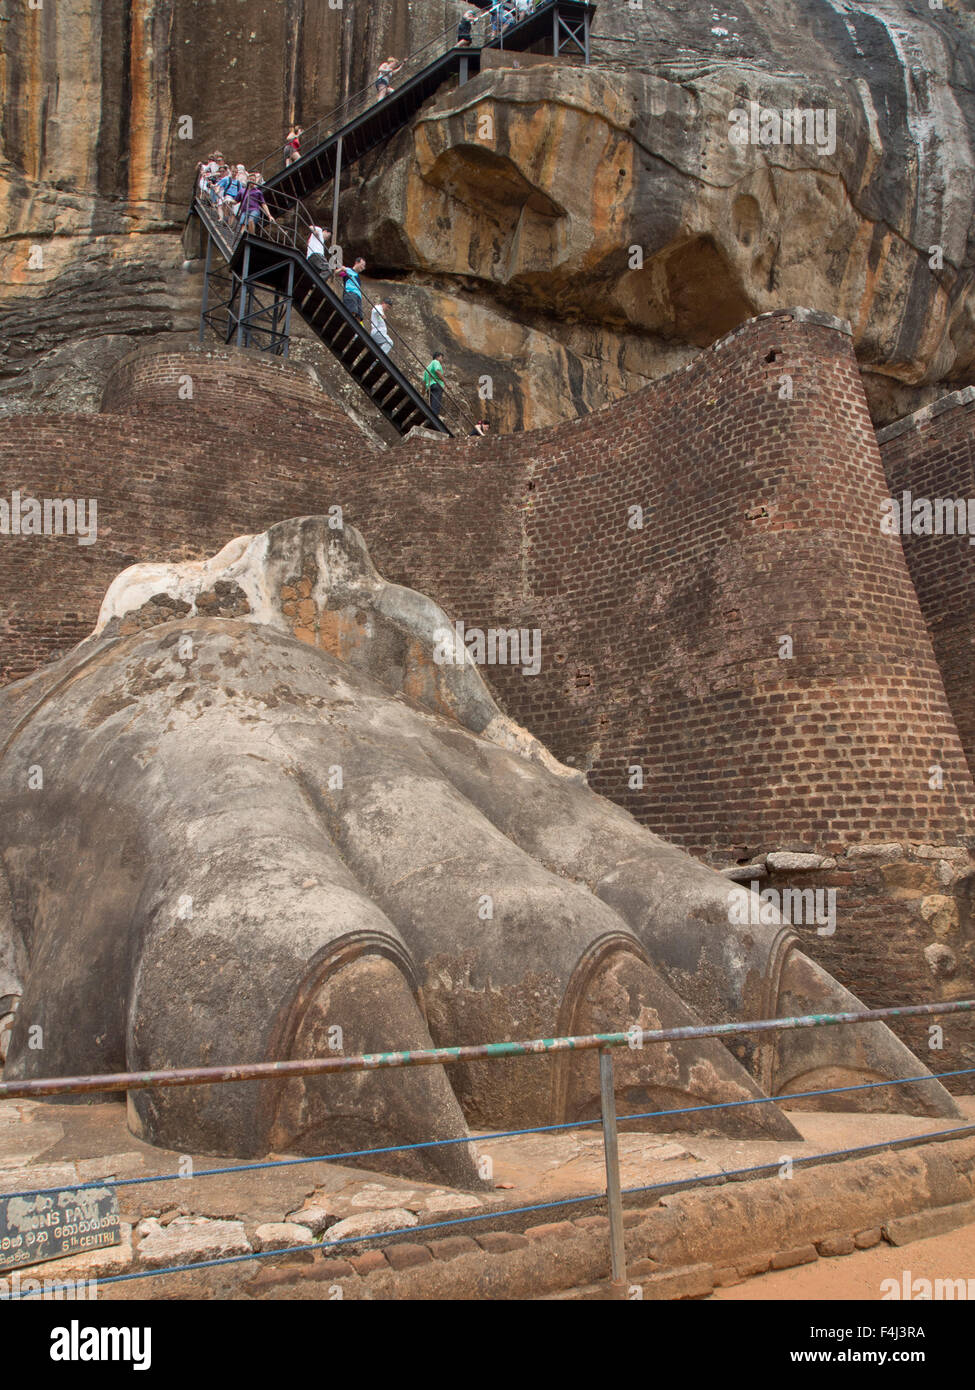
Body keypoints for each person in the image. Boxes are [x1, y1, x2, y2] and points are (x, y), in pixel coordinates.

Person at [341, 256, 366, 321]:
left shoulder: (358, 277)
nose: (363, 267)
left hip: (358, 297)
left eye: (364, 266)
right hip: (351, 293)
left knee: (359, 316)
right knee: (352, 311)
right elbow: (337, 273)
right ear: (356, 263)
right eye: (362, 265)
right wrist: (342, 269)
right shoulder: (348, 270)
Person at [423, 352, 446, 416]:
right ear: (437, 357)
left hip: (429, 388)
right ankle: (434, 418)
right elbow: (437, 371)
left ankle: (430, 418)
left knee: (432, 404)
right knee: (436, 404)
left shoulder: (427, 368)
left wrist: (422, 394)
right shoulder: (436, 362)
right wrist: (445, 382)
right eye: (441, 358)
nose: (442, 360)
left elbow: (424, 382)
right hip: (436, 386)